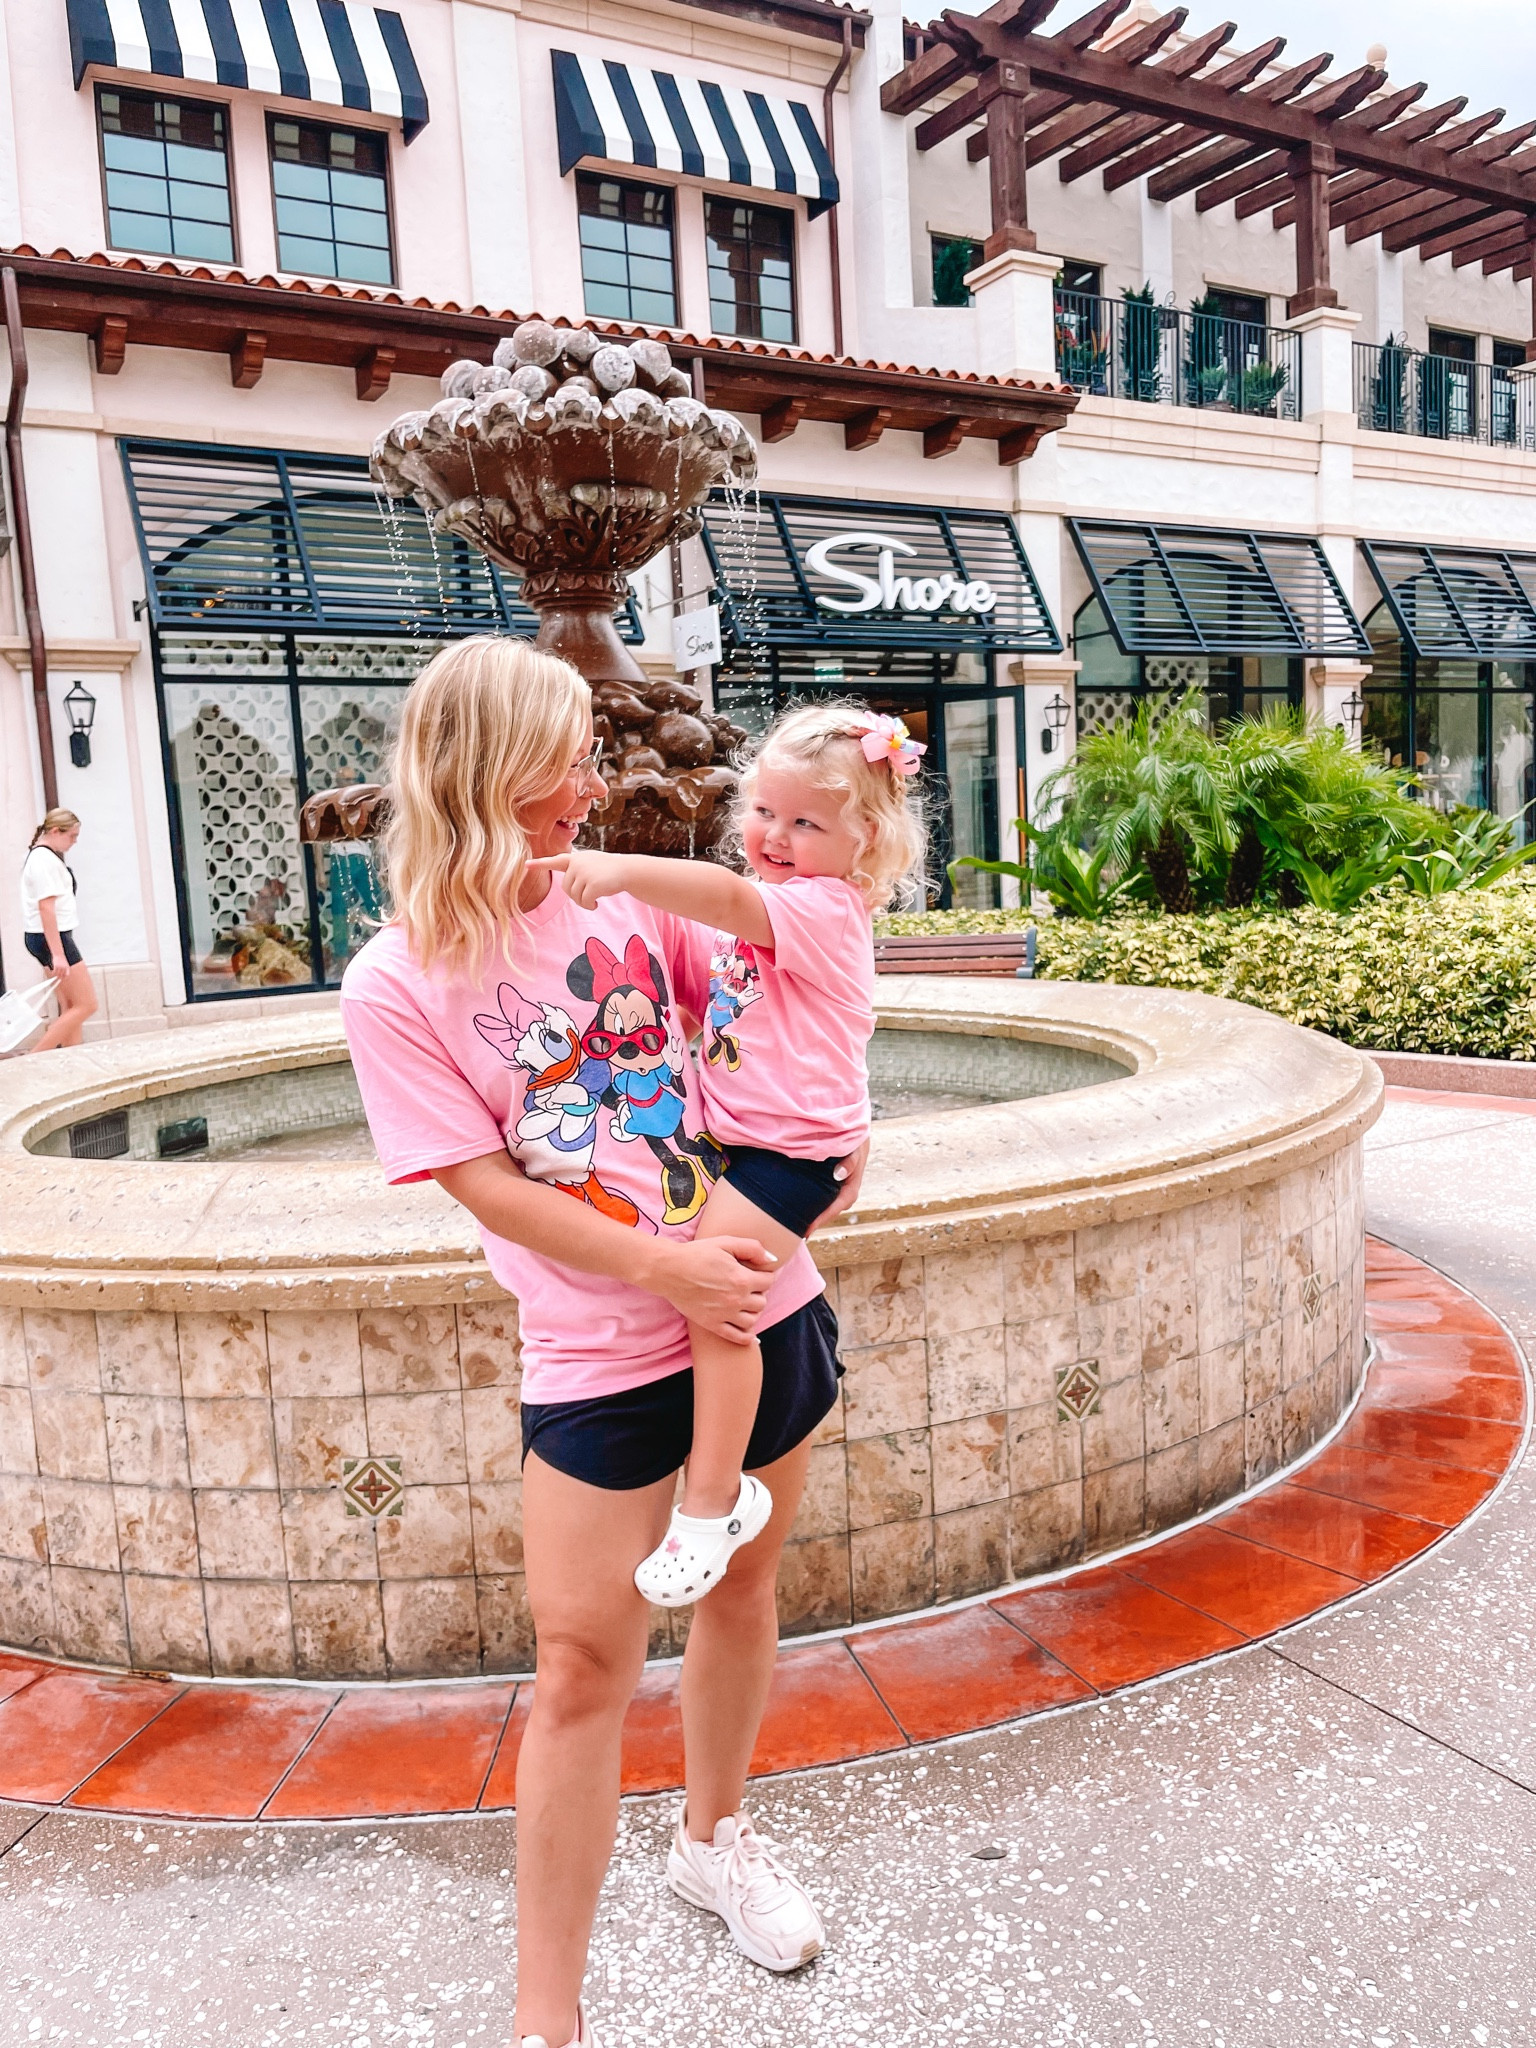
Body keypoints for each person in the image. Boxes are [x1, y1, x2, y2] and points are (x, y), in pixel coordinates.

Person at [337, 638, 865, 2048]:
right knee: (579, 1667)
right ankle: (545, 2016)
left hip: (756, 1305)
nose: (592, 783)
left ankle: (714, 1841)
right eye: (567, 760)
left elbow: (773, 1009)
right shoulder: (394, 980)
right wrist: (656, 1267)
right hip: (600, 1351)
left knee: (743, 1591)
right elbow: (481, 1180)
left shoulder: (629, 898)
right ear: (491, 772)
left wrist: (845, 1135)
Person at [537, 704, 924, 1607]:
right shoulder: (772, 915)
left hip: (788, 1157)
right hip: (756, 1147)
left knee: (718, 1302)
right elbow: (727, 1003)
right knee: (717, 1294)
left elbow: (722, 898)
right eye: (764, 812)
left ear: (864, 841)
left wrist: (618, 869)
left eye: (806, 823)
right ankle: (714, 1493)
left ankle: (712, 1501)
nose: (775, 837)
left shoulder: (824, 908)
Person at [20, 808, 98, 1052]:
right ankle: (33, 1058)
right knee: (87, 1004)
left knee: (71, 1005)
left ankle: (73, 1059)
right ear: (55, 831)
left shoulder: (41, 857)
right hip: (52, 939)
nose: (74, 842)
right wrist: (58, 954)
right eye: (72, 836)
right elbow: (46, 908)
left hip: (45, 937)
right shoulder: (43, 861)